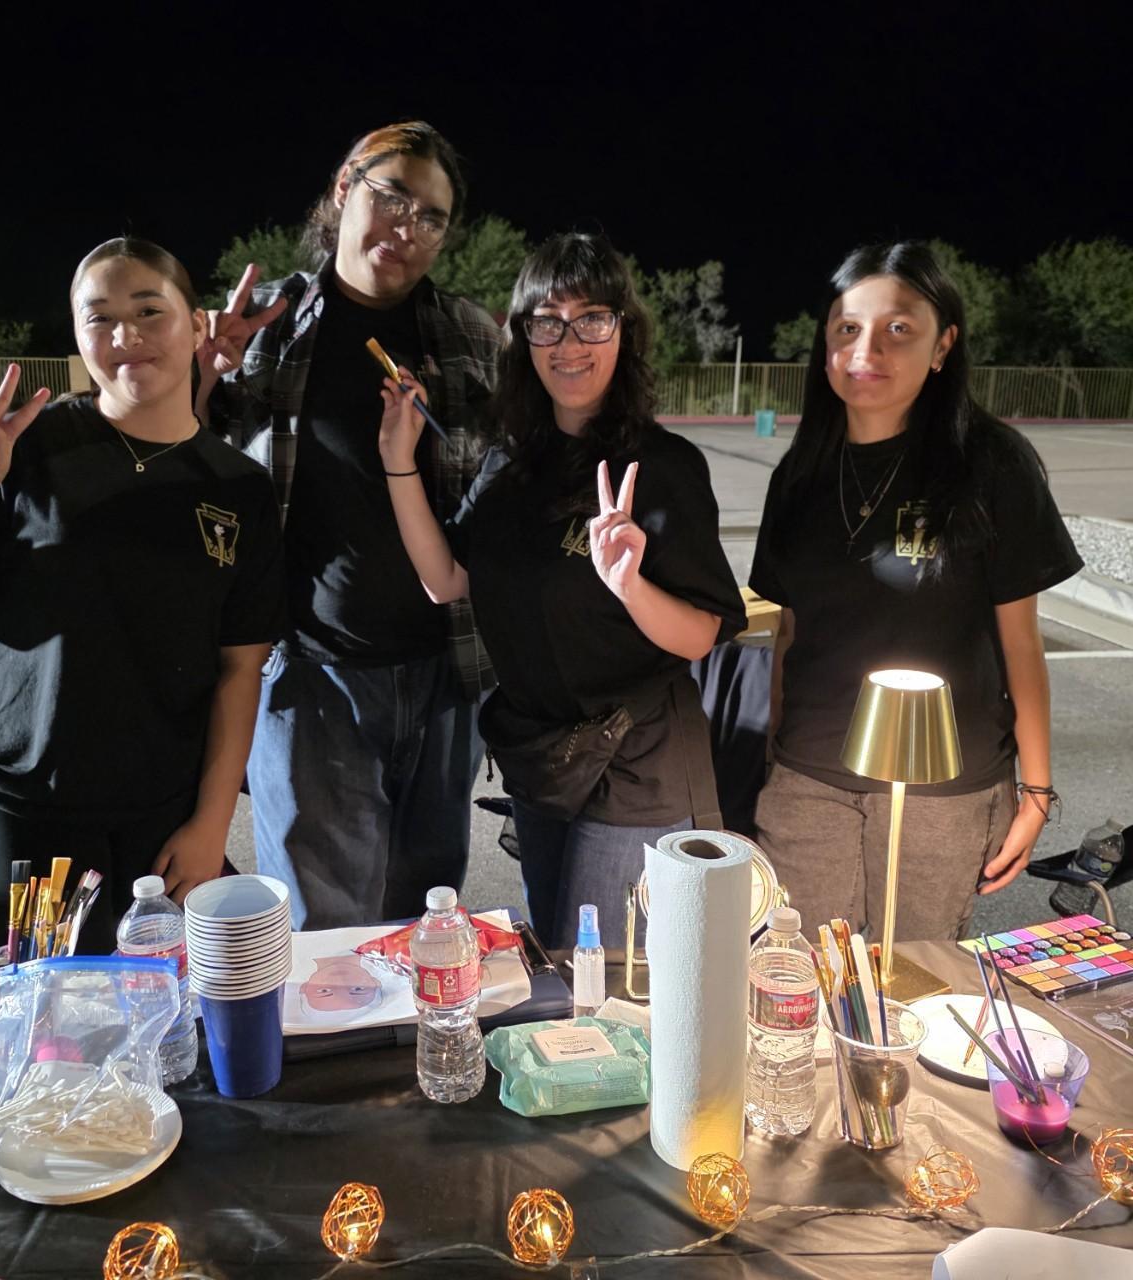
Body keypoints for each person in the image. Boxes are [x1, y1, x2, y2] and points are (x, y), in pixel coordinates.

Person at [0, 238, 285, 951]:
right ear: (77, 334)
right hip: (23, 803)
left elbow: (240, 668)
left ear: (195, 324)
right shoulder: (27, 445)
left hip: (162, 806)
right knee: (42, 1001)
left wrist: (211, 824)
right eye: (100, 318)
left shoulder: (238, 486)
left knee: (159, 999)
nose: (126, 336)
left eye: (149, 311)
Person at [378, 233, 746, 949]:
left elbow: (701, 634)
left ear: (623, 330)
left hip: (636, 759)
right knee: (553, 954)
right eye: (547, 322)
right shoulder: (510, 462)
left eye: (591, 320)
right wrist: (399, 462)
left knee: (599, 975)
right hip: (543, 759)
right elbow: (445, 580)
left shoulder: (662, 466)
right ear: (523, 337)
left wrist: (630, 585)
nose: (569, 343)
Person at [198, 121, 501, 930]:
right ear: (344, 189)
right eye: (392, 198)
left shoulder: (470, 335)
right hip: (310, 677)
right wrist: (201, 379)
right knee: (322, 938)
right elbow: (186, 469)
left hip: (444, 678)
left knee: (425, 925)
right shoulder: (264, 325)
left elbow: (508, 487)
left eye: (431, 217)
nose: (407, 229)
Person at [749, 241, 1082, 942]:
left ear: (943, 345)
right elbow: (789, 630)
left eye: (898, 327)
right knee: (801, 977)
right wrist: (776, 755)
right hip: (811, 780)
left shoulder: (990, 465)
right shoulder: (800, 476)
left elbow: (1021, 642)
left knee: (916, 981)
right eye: (847, 327)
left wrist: (1036, 792)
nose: (866, 349)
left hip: (943, 787)